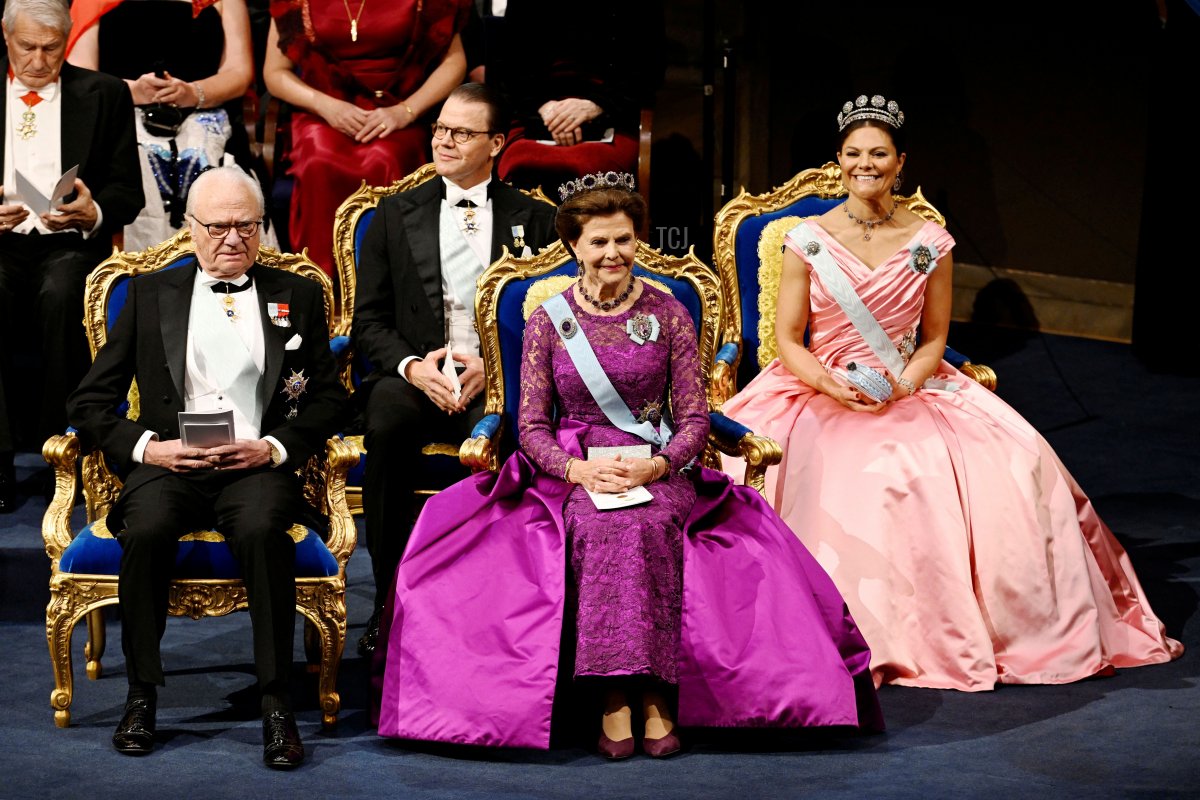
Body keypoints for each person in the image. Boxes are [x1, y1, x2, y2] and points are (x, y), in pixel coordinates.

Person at [374, 175, 882, 758]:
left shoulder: (669, 315)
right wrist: (576, 472)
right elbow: (532, 425)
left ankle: (655, 694)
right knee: (598, 522)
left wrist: (660, 468)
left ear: (637, 240)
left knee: (646, 522)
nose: (612, 253)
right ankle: (616, 697)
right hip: (574, 466)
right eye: (598, 243)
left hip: (655, 466)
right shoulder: (548, 320)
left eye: (623, 240)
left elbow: (694, 419)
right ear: (574, 247)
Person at [721, 95, 1184, 691]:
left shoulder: (930, 240)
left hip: (909, 383)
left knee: (1019, 461)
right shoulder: (806, 239)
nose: (867, 164)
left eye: (879, 154)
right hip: (818, 384)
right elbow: (788, 339)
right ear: (838, 161)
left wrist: (904, 385)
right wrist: (831, 385)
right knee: (843, 475)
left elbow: (935, 336)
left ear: (900, 162)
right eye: (855, 154)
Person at [66, 166, 346, 766]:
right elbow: (88, 403)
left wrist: (271, 448)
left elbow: (328, 398)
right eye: (218, 227)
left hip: (255, 466)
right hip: (169, 463)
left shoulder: (294, 295)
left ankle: (276, 705)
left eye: (247, 226)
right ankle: (141, 695)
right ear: (189, 227)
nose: (233, 240)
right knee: (143, 529)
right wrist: (149, 448)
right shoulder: (148, 294)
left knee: (263, 530)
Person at [351, 81, 558, 656]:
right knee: (387, 426)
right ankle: (389, 598)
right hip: (417, 376)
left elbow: (552, 318)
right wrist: (415, 367)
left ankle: (505, 606)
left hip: (500, 379)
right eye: (441, 128)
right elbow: (367, 321)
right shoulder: (392, 215)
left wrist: (495, 370)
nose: (443, 140)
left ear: (495, 143)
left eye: (461, 133)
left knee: (529, 431)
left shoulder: (537, 219)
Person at [0, 0, 143, 512]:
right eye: (26, 47)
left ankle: (66, 453)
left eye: (51, 48)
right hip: (2, 245)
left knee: (63, 293)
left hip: (69, 246)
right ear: (5, 35)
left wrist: (93, 211)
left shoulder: (103, 94)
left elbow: (130, 193)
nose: (38, 61)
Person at [262, 0, 471, 275]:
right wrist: (325, 105)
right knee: (320, 161)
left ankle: (391, 290)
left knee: (388, 159)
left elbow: (454, 62)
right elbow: (274, 72)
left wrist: (405, 111)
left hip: (397, 112)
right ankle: (321, 288)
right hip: (323, 111)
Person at [66, 0, 273, 251]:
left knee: (213, 174)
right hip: (122, 113)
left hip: (203, 114)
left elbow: (239, 71)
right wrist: (130, 92)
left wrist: (194, 93)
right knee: (133, 168)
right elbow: (80, 74)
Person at [491, 0, 663, 196]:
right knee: (516, 163)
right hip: (533, 112)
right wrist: (548, 110)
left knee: (593, 169)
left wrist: (596, 105)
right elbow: (509, 67)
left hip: (612, 113)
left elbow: (649, 71)